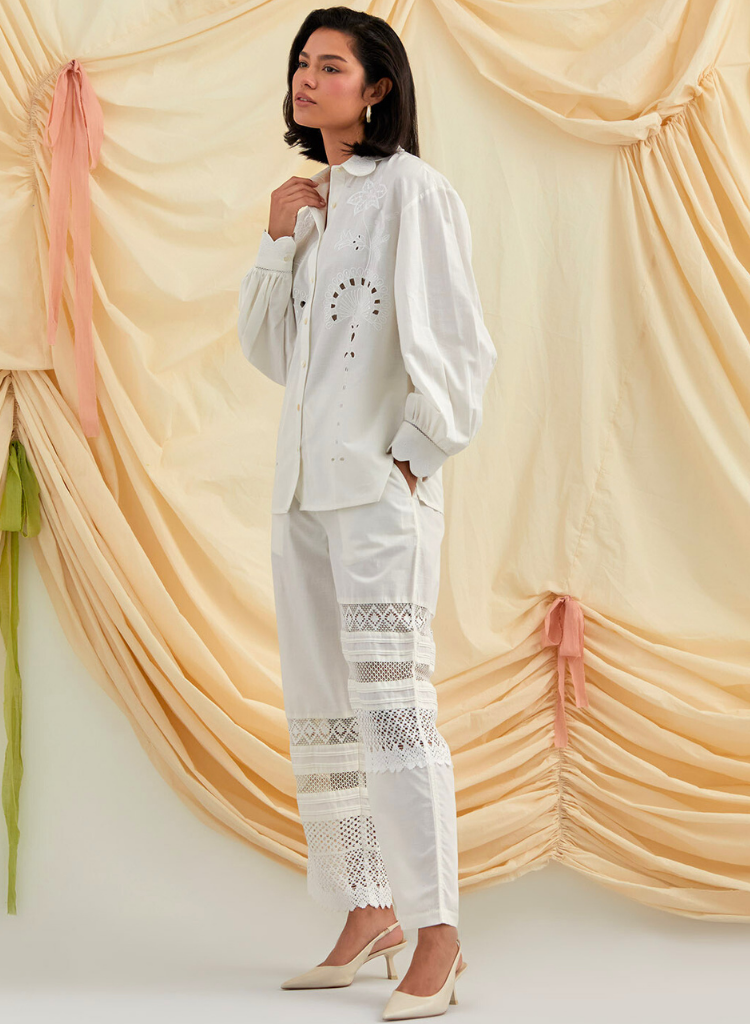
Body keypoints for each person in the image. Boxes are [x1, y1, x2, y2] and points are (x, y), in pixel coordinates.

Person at [238, 7, 497, 1019]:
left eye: (332, 65)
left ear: (377, 87)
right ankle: (367, 909)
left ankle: (439, 934)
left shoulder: (413, 192)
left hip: (379, 495)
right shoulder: (310, 205)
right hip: (302, 491)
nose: (308, 78)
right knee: (325, 709)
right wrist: (277, 242)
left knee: (394, 708)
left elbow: (462, 345)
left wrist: (413, 459)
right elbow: (274, 356)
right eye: (302, 63)